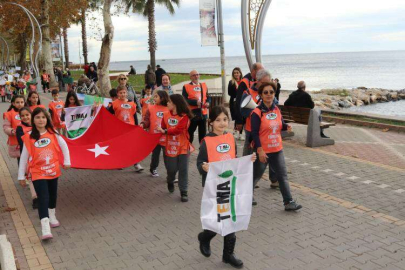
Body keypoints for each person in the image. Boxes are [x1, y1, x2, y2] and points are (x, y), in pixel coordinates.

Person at [196, 106, 256, 268]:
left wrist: (247, 162)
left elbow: (234, 160)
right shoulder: (206, 142)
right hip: (214, 188)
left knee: (230, 219)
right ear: (210, 122)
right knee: (218, 220)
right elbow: (200, 162)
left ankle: (228, 255)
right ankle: (205, 237)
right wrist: (204, 167)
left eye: (225, 119)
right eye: (218, 120)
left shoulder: (230, 138)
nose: (222, 123)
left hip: (230, 185)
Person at [18, 107, 71, 240]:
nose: (40, 120)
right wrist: (21, 176)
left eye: (43, 117)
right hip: (37, 172)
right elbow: (24, 157)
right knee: (43, 197)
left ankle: (52, 215)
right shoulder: (29, 137)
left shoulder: (53, 133)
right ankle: (45, 226)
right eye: (37, 117)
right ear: (33, 120)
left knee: (53, 195)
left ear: (47, 119)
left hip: (53, 170)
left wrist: (67, 161)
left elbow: (64, 145)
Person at [250, 82, 302, 210]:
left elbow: (281, 124)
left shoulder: (276, 109)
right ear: (261, 95)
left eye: (271, 92)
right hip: (264, 150)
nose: (269, 95)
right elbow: (254, 133)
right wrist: (260, 150)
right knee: (255, 176)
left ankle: (288, 202)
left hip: (277, 148)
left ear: (274, 94)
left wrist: (286, 126)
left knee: (282, 175)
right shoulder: (257, 112)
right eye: (266, 92)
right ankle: (246, 195)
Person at [156, 94, 193, 202]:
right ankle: (170, 180)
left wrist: (165, 131)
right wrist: (159, 129)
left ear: (175, 104)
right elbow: (162, 127)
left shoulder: (185, 117)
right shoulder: (165, 115)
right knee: (171, 170)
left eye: (169, 102)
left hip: (183, 147)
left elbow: (178, 130)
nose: (167, 103)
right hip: (170, 147)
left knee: (183, 169)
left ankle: (184, 191)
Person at [109, 85, 144, 172]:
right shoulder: (114, 104)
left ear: (127, 93)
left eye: (124, 92)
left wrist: (137, 127)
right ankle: (121, 163)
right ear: (117, 94)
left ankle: (136, 164)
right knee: (121, 147)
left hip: (130, 129)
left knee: (133, 147)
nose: (123, 94)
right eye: (121, 93)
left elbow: (134, 116)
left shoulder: (132, 104)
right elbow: (107, 115)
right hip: (119, 130)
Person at [241, 69, 271, 156]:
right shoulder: (248, 92)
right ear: (257, 81)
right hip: (251, 129)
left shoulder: (269, 92)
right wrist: (256, 112)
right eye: (264, 83)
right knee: (248, 155)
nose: (266, 85)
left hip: (265, 129)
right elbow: (243, 111)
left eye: (268, 83)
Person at [140, 90, 169, 177]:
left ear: (162, 98)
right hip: (154, 137)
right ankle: (153, 169)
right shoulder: (151, 108)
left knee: (167, 156)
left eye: (156, 96)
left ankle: (170, 173)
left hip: (166, 137)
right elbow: (147, 120)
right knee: (155, 155)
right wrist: (143, 124)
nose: (154, 98)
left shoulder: (169, 108)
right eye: (154, 96)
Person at [15, 107, 38, 209]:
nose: (25, 117)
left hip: (39, 155)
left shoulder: (37, 124)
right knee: (31, 177)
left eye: (27, 115)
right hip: (28, 157)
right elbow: (22, 143)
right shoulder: (20, 128)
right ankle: (35, 198)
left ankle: (42, 195)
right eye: (22, 116)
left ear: (31, 114)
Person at [182, 70, 211, 144]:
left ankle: (202, 149)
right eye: (194, 75)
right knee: (190, 132)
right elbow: (184, 100)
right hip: (192, 113)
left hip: (203, 113)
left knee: (203, 134)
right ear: (190, 77)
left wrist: (208, 102)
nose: (196, 76)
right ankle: (188, 148)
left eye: (197, 74)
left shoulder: (204, 85)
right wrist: (195, 102)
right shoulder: (186, 86)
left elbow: (208, 96)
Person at [235, 63, 264, 135]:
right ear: (253, 71)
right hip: (247, 118)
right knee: (248, 142)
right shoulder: (245, 82)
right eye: (261, 71)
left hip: (258, 117)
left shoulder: (259, 80)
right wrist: (239, 121)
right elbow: (238, 101)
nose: (262, 73)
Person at [3, 95, 25, 160]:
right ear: (13, 103)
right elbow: (6, 127)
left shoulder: (29, 112)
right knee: (21, 160)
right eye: (17, 102)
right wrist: (12, 131)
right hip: (16, 141)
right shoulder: (9, 114)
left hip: (28, 140)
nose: (20, 104)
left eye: (22, 102)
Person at [228, 67, 243, 140]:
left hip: (242, 102)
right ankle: (236, 132)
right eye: (234, 73)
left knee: (242, 117)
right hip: (234, 102)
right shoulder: (231, 82)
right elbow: (229, 93)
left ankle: (240, 133)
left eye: (237, 72)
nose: (236, 74)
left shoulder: (243, 82)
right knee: (237, 117)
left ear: (240, 73)